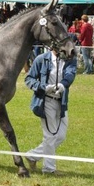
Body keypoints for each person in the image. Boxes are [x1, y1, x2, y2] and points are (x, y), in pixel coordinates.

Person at [24, 45, 77, 175]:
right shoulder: (41, 59)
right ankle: (49, 169)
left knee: (61, 136)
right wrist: (43, 87)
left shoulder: (70, 58)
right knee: (50, 136)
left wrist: (63, 85)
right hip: (46, 101)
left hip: (61, 101)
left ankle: (32, 156)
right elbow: (29, 79)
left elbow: (70, 74)